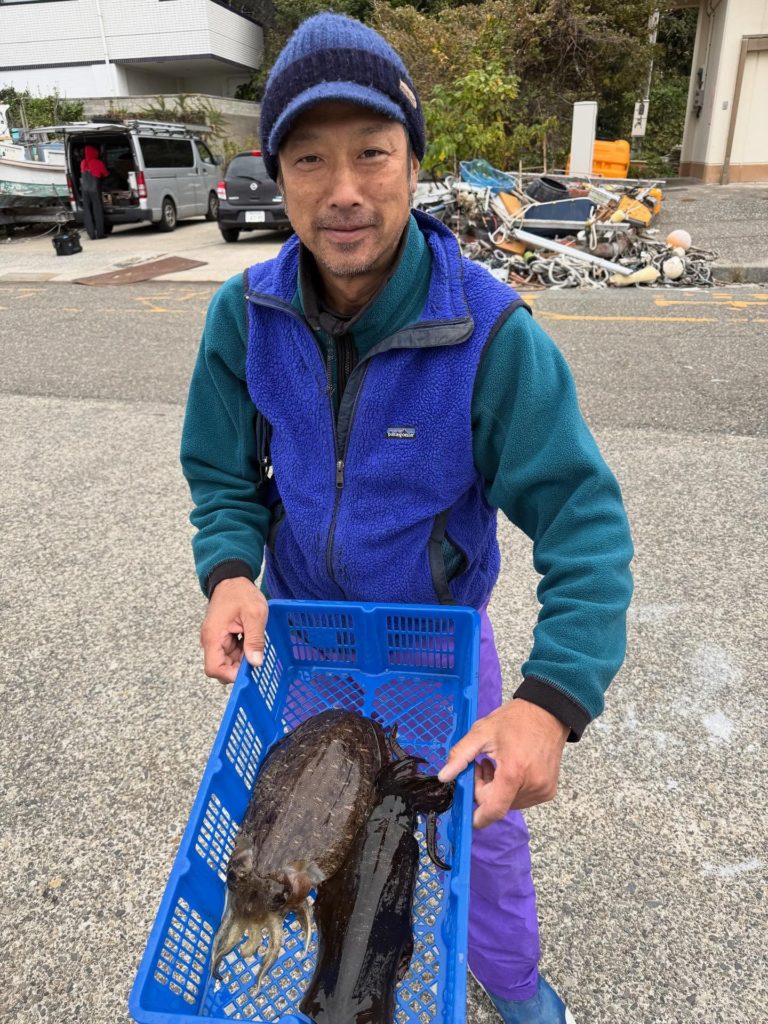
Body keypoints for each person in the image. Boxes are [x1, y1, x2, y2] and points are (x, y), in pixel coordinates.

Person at [180, 13, 633, 1024]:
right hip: (306, 637)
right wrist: (231, 569)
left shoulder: (490, 333)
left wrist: (552, 700)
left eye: (372, 153)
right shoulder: (243, 316)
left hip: (439, 643)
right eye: (309, 158)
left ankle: (511, 980)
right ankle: (335, 980)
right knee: (316, 841)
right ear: (277, 173)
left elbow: (583, 519)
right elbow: (221, 471)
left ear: (414, 162)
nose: (343, 189)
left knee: (479, 836)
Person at [79, 144, 109, 239]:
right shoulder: (98, 162)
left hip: (84, 190)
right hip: (94, 189)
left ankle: (91, 234)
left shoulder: (83, 162)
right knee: (97, 210)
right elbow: (105, 174)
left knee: (87, 211)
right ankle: (100, 234)